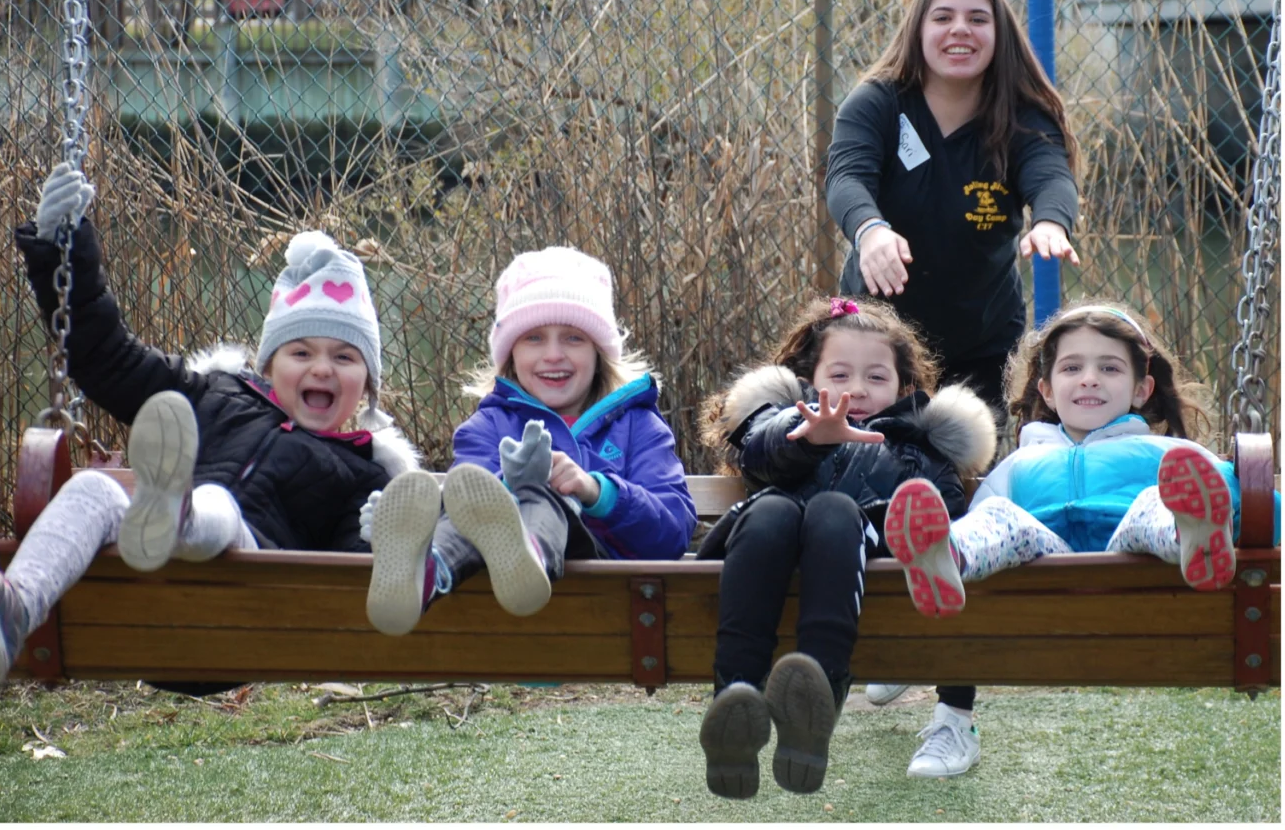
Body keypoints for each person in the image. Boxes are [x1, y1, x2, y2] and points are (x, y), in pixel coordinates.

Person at [0, 164, 423, 693]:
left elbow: (347, 599)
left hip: (241, 615)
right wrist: (62, 252)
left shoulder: (364, 475)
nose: (322, 368)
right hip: (143, 609)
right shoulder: (211, 394)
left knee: (219, 506)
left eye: (345, 357)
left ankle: (178, 511)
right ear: (268, 366)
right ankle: (12, 613)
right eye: (301, 353)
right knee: (93, 489)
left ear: (368, 386)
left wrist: (381, 537)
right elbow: (107, 358)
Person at [692, 296, 997, 796]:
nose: (857, 389)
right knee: (771, 510)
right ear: (807, 381)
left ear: (904, 386)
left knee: (834, 511)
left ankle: (815, 698)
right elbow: (758, 456)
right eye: (839, 376)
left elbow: (938, 518)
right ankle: (735, 699)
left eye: (876, 377)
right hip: (764, 553)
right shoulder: (784, 422)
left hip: (860, 561)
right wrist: (808, 436)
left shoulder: (916, 447)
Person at [362, 246, 695, 634]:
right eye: (534, 338)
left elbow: (672, 533)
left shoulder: (639, 426)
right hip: (497, 600)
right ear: (512, 354)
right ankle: (425, 572)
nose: (553, 355)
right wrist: (508, 484)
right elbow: (471, 505)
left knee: (545, 496)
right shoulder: (488, 426)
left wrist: (594, 490)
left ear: (598, 353)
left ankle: (530, 555)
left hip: (606, 598)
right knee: (474, 504)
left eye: (573, 338)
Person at [885, 301, 1282, 619]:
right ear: (1048, 391)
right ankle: (946, 556)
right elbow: (982, 517)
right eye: (1072, 367)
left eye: (1109, 368)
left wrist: (1232, 511)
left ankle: (1193, 537)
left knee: (1152, 505)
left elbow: (1260, 506)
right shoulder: (1021, 463)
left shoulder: (1168, 455)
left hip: (1132, 554)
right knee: (1000, 515)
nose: (1089, 378)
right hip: (1042, 557)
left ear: (1141, 390)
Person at [825, 0, 1081, 419]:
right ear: (918, 31)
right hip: (876, 342)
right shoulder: (876, 102)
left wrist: (1050, 221)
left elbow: (1051, 176)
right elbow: (846, 177)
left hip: (982, 344)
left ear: (999, 35)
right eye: (943, 17)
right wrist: (870, 230)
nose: (960, 29)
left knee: (959, 455)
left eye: (977, 19)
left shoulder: (1021, 116)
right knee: (876, 452)